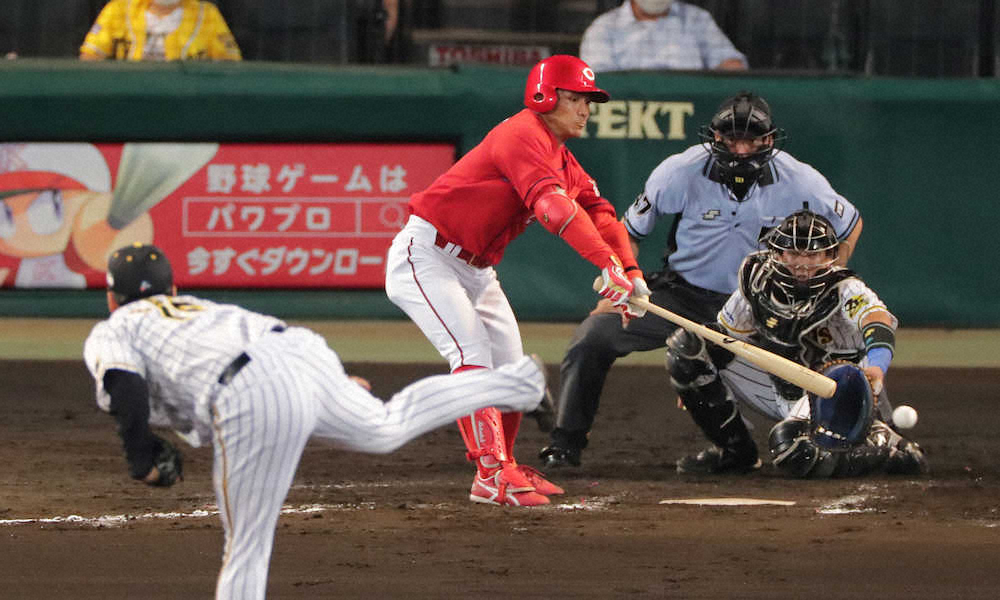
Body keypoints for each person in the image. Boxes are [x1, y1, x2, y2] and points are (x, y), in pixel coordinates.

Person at [84, 243, 549, 599]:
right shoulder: (199, 310)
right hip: (300, 353)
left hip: (250, 393)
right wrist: (331, 384)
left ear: (111, 298)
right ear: (173, 290)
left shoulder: (114, 328)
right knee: (386, 427)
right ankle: (518, 383)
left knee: (246, 545)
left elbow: (124, 384)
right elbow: (264, 338)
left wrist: (140, 457)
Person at [540, 90, 863, 472]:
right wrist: (622, 280)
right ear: (714, 137)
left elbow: (850, 224)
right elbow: (629, 232)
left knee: (831, 357)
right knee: (593, 337)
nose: (741, 149)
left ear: (770, 140)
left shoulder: (801, 181)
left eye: (752, 139)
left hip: (760, 306)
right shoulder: (679, 171)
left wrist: (822, 285)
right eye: (731, 138)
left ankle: (863, 434)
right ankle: (566, 443)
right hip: (683, 297)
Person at [384, 54, 647, 507]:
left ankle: (501, 463)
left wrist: (633, 273)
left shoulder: (561, 157)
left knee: (510, 373)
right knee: (470, 354)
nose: (585, 109)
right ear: (545, 96)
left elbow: (600, 213)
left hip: (475, 269)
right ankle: (489, 473)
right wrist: (607, 265)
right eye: (575, 98)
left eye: (589, 100)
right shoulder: (523, 134)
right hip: (426, 255)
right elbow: (554, 209)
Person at [666, 210, 927, 477]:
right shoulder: (756, 278)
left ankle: (884, 449)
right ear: (777, 253)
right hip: (776, 382)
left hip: (832, 395)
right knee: (689, 346)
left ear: (829, 257)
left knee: (794, 451)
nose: (802, 264)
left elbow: (876, 319)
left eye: (812, 255)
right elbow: (726, 336)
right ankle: (735, 454)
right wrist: (696, 376)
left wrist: (878, 367)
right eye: (793, 254)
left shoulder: (845, 288)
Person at [580, 0, 747, 72]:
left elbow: (734, 67)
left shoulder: (697, 20)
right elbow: (598, 84)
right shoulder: (603, 28)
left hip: (691, 115)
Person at [80, 0, 241, 61]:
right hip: (129, 101)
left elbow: (230, 65)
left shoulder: (207, 14)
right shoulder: (118, 9)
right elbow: (90, 57)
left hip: (187, 104)